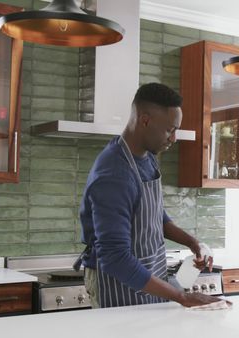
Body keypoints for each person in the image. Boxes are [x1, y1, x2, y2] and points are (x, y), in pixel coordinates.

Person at [78, 83, 222, 308]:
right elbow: (114, 258)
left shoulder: (146, 156)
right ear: (145, 120)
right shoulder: (114, 174)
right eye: (170, 130)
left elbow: (154, 214)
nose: (173, 139)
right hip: (118, 282)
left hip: (148, 275)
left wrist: (192, 243)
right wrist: (181, 297)